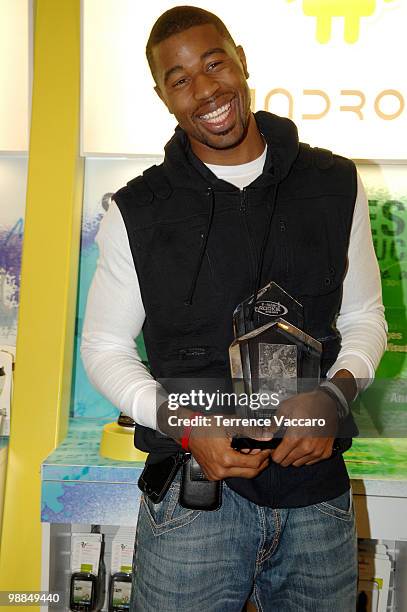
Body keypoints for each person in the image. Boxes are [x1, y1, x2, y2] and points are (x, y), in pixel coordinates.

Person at [81, 6, 387, 611]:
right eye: (180, 78)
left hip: (316, 496)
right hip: (195, 506)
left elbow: (364, 319)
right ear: (163, 96)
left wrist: (333, 397)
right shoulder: (137, 210)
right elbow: (104, 349)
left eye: (213, 63)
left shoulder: (333, 183)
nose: (205, 89)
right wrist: (189, 428)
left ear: (240, 60)